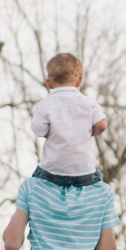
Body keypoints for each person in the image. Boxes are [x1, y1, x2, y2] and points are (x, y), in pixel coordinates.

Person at [30, 52, 108, 188]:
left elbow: (39, 131)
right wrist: (89, 131)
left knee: (34, 180)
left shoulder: (44, 105)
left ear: (48, 83)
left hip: (54, 172)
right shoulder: (89, 102)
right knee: (96, 179)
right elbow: (102, 125)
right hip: (85, 172)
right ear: (79, 80)